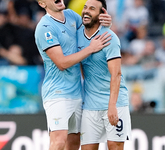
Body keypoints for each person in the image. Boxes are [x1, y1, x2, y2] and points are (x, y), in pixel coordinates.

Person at [34, 0, 112, 150]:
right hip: (57, 92)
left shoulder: (71, 16)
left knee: (74, 142)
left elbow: (90, 33)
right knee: (58, 141)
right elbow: (62, 63)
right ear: (42, 3)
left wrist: (105, 24)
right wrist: (90, 49)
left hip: (77, 91)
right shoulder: (44, 28)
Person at [77, 0, 131, 149]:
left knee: (115, 147)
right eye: (85, 7)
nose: (86, 11)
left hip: (115, 103)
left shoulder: (109, 38)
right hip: (90, 105)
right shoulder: (77, 36)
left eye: (92, 9)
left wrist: (112, 105)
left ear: (102, 14)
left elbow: (117, 74)